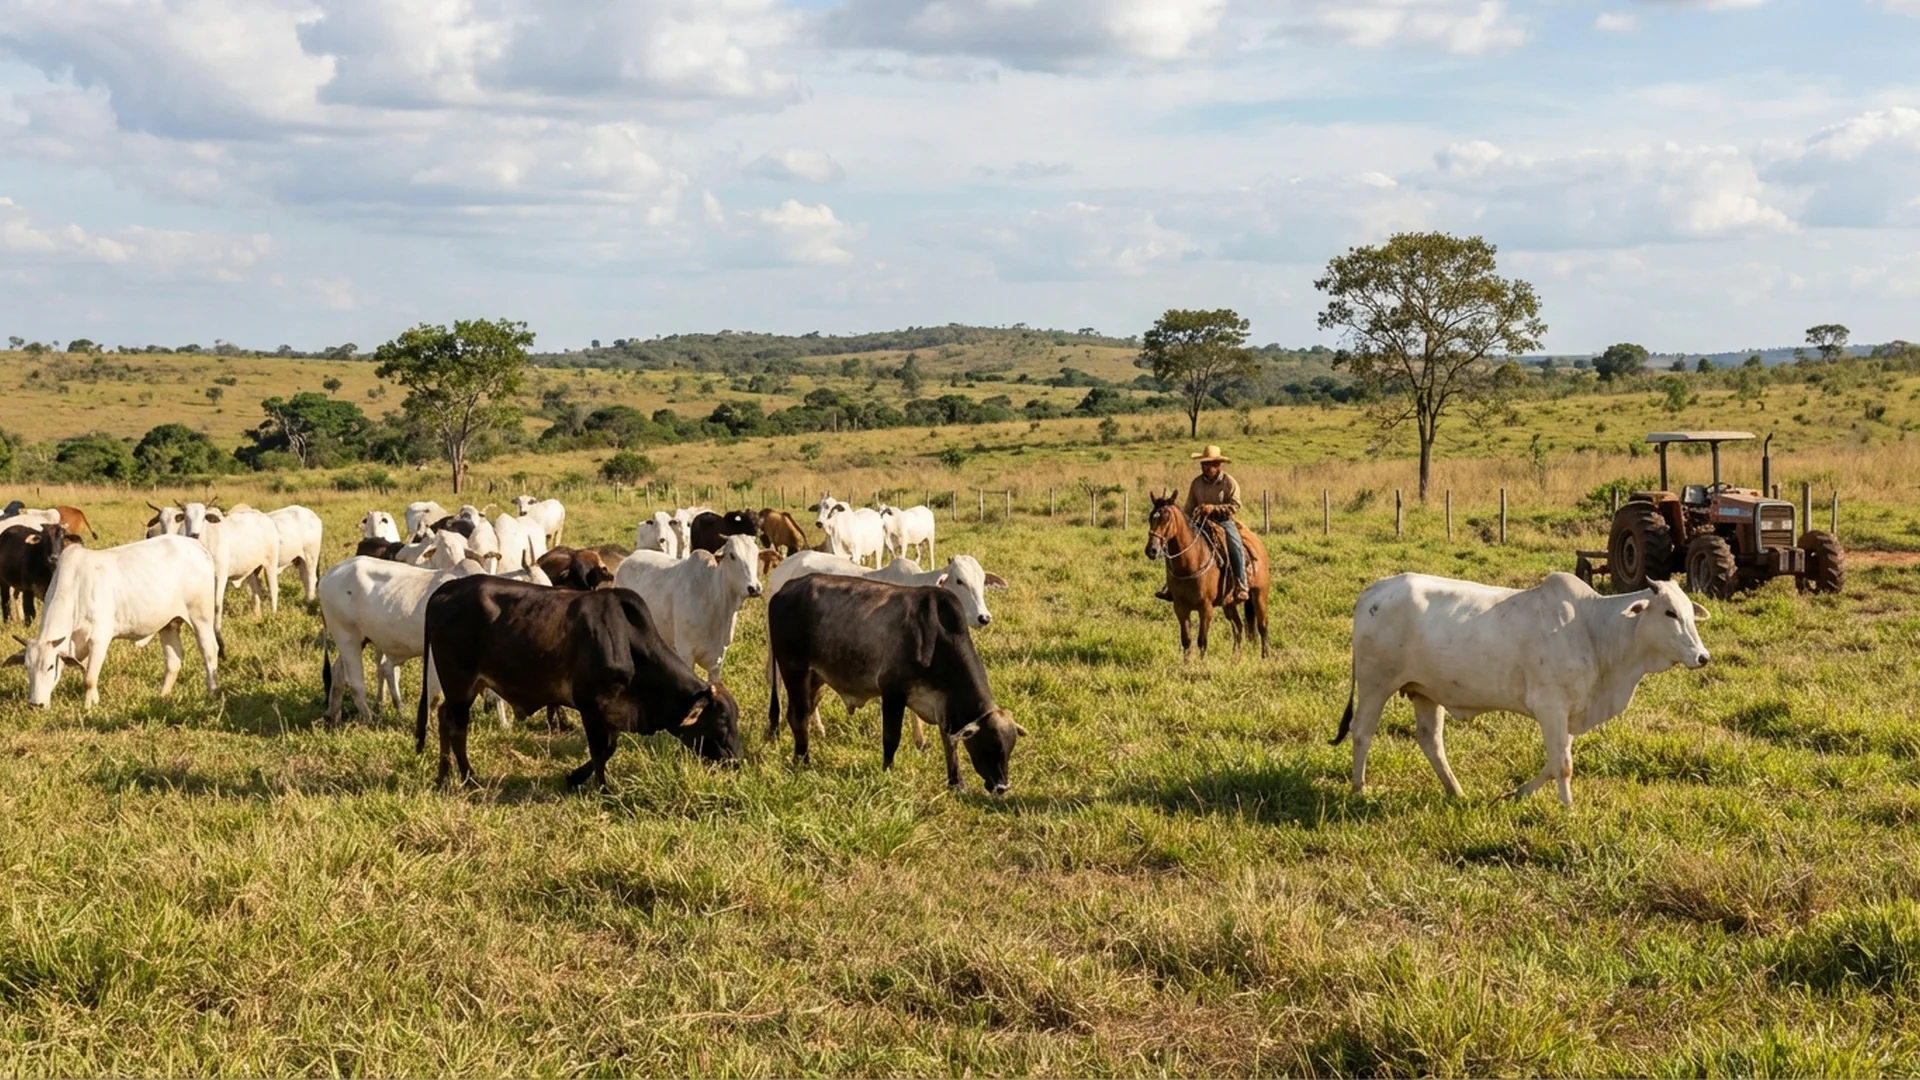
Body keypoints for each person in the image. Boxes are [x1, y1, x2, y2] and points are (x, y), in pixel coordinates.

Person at [1156, 444, 1250, 603]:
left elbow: (1235, 505)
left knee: (1235, 545)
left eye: (1209, 464)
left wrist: (1214, 508)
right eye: (1203, 464)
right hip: (1199, 522)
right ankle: (1170, 585)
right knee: (1175, 546)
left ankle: (1241, 584)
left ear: (1218, 465)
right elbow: (1189, 507)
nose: (1205, 467)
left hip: (1223, 521)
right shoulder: (1196, 483)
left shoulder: (1229, 483)